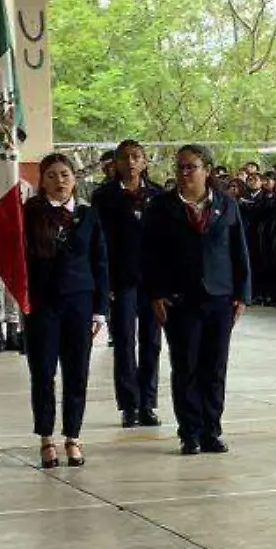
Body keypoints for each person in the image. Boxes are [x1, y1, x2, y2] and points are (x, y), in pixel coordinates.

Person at [143, 144, 250, 455]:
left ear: (207, 170)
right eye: (180, 167)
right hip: (179, 298)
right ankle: (189, 432)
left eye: (191, 166)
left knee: (214, 367)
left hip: (220, 297)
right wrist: (155, 293)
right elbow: (149, 255)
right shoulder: (161, 207)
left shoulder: (226, 205)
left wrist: (241, 294)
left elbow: (238, 252)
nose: (185, 172)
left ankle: (211, 430)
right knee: (186, 366)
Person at [23, 153, 108, 468]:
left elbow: (100, 261)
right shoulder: (29, 213)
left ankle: (73, 436)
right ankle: (46, 438)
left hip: (79, 303)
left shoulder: (88, 215)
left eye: (65, 175)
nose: (59, 181)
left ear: (75, 179)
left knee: (77, 373)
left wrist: (99, 310)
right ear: (42, 180)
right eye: (52, 175)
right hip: (42, 304)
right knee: (43, 373)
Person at [92, 139, 164, 427]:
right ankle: (128, 405)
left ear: (145, 162)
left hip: (153, 281)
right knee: (123, 341)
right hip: (120, 280)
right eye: (125, 158)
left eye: (136, 157)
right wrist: (104, 281)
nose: (131, 163)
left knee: (152, 343)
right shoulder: (104, 196)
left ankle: (147, 403)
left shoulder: (158, 195)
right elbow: (100, 242)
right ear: (116, 163)